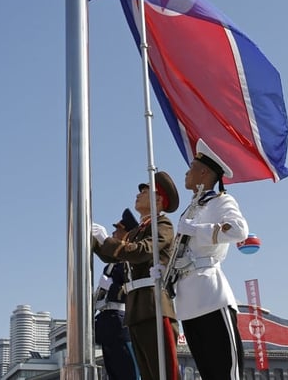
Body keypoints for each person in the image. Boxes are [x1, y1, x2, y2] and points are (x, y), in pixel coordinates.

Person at [168, 139, 248, 380]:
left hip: (211, 294)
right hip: (187, 301)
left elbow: (239, 230)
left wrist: (198, 230)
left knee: (226, 372)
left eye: (191, 167)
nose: (186, 172)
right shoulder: (191, 209)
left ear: (204, 172)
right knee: (208, 372)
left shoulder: (222, 201)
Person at [94, 172, 181, 380]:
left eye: (144, 192)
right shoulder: (136, 232)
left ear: (158, 199)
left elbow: (144, 251)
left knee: (163, 371)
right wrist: (95, 242)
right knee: (148, 373)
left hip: (154, 305)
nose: (138, 195)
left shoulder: (163, 224)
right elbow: (116, 257)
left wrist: (106, 241)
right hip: (136, 309)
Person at [92, 208, 141, 380]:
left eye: (118, 230)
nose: (114, 233)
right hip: (108, 325)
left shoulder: (131, 262)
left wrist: (111, 288)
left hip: (121, 323)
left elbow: (133, 293)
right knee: (113, 373)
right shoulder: (113, 264)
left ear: (128, 235)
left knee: (128, 373)